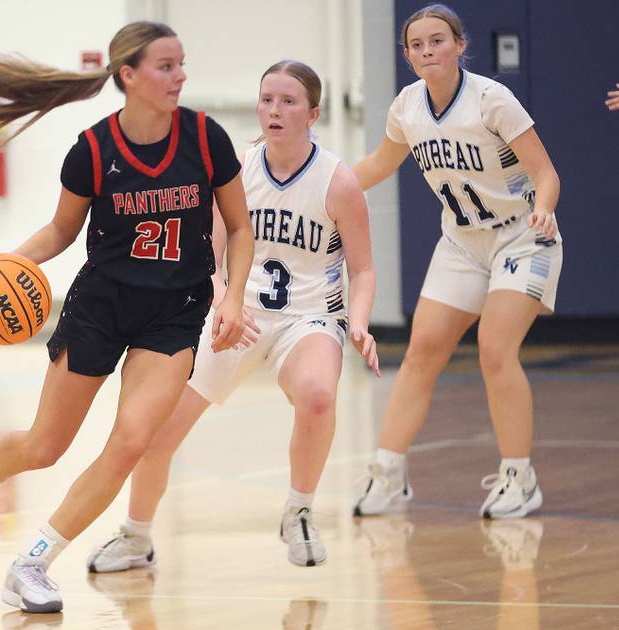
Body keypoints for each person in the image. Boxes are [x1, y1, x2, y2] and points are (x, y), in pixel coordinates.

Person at [0, 21, 254, 613]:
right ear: (129, 75)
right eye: (166, 65)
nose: (180, 76)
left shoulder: (206, 138)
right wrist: (5, 262)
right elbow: (62, 230)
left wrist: (232, 295)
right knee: (44, 447)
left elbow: (239, 226)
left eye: (181, 63)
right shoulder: (93, 148)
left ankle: (32, 563)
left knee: (131, 441)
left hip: (175, 310)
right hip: (102, 305)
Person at [86, 59, 379, 572]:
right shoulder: (238, 170)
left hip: (309, 317)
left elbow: (364, 268)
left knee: (316, 394)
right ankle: (135, 537)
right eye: (267, 99)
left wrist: (357, 321)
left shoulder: (339, 182)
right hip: (239, 314)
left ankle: (299, 510)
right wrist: (224, 299)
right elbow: (210, 253)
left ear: (313, 113)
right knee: (156, 429)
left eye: (288, 102)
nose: (274, 110)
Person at [352, 4, 562, 520]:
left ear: (459, 45)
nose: (428, 51)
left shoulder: (492, 99)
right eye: (417, 44)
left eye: (437, 41)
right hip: (462, 242)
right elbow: (380, 163)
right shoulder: (406, 107)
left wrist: (543, 210)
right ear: (407, 55)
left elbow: (547, 173)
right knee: (422, 349)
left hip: (522, 236)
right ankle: (389, 472)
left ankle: (520, 477)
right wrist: (321, 185)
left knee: (494, 349)